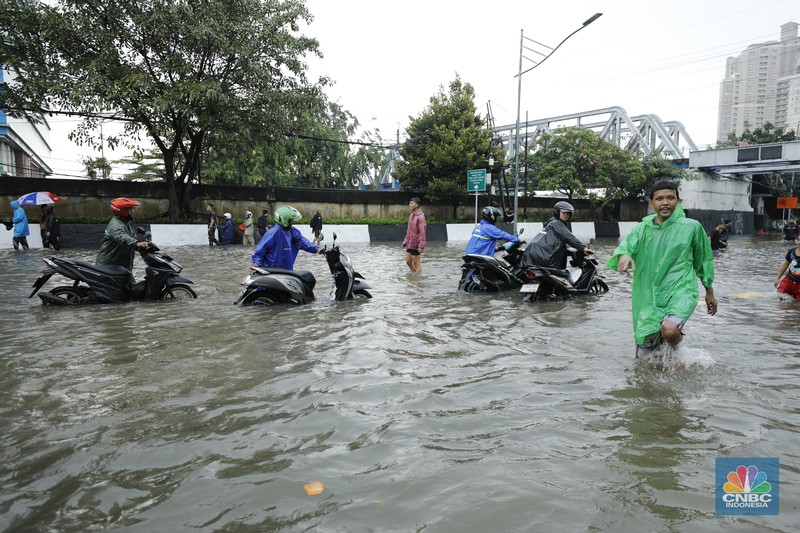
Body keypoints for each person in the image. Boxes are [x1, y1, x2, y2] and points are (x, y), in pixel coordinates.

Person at [607, 181, 717, 360]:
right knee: (645, 357)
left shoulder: (691, 227)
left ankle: (677, 351)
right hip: (649, 294)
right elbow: (626, 246)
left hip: (681, 289)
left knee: (669, 329)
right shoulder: (642, 229)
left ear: (678, 201)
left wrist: (709, 292)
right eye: (659, 199)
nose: (665, 203)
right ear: (651, 202)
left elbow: (703, 260)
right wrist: (624, 256)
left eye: (670, 198)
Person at [519, 201, 591, 270]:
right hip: (542, 256)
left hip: (537, 254)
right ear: (558, 212)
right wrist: (583, 248)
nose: (566, 215)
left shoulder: (552, 223)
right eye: (564, 213)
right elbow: (569, 237)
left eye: (568, 213)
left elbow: (559, 243)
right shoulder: (556, 223)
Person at [96, 197, 150, 285]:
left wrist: (142, 243)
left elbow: (130, 237)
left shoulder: (127, 222)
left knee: (131, 289)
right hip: (110, 265)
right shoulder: (115, 225)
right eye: (130, 210)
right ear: (123, 211)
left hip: (123, 265)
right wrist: (137, 243)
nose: (132, 212)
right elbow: (122, 237)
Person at [251, 206, 322, 269]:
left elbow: (302, 241)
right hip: (271, 270)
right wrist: (256, 262)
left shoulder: (292, 231)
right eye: (291, 220)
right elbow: (260, 249)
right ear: (284, 220)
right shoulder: (272, 233)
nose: (293, 222)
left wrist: (317, 249)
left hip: (286, 270)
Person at [402, 197, 426, 273]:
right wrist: (405, 241)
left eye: (412, 203)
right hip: (410, 242)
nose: (410, 205)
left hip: (416, 243)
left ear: (417, 205)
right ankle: (413, 277)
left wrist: (421, 245)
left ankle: (418, 280)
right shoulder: (411, 216)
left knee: (416, 263)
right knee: (408, 262)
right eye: (409, 203)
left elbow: (422, 232)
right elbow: (408, 231)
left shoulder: (421, 217)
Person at [774, 235, 800, 300]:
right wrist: (778, 278)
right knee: (780, 296)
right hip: (789, 280)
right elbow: (785, 264)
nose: (799, 242)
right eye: (799, 240)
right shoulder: (791, 251)